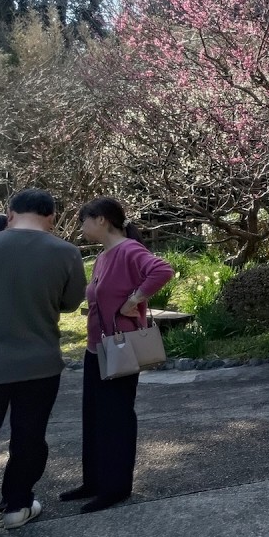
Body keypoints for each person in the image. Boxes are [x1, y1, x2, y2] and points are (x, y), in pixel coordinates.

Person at [63, 197, 172, 514]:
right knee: (94, 417)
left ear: (101, 220)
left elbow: (163, 270)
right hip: (97, 349)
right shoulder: (104, 256)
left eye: (84, 220)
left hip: (121, 348)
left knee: (116, 418)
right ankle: (94, 481)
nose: (81, 227)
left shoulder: (128, 250)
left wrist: (134, 300)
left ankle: (115, 488)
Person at [0, 189, 87, 529]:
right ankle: (17, 506)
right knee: (29, 437)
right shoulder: (66, 252)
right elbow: (70, 303)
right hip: (40, 362)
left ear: (10, 213)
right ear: (51, 216)